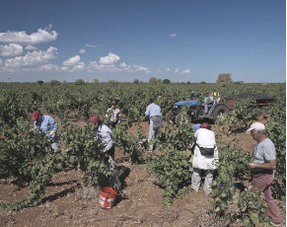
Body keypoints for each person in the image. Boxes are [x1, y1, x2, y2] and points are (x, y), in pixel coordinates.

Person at [246, 122, 280, 226]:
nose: (251, 134)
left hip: (263, 176)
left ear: (259, 132)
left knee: (250, 197)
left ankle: (250, 219)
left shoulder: (267, 144)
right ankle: (275, 219)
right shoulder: (260, 143)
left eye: (252, 132)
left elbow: (272, 165)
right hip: (261, 175)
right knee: (267, 198)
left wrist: (255, 166)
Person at [90, 116, 121, 189]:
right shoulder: (96, 128)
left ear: (97, 123)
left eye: (93, 124)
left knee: (111, 166)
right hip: (102, 147)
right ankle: (106, 182)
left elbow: (110, 143)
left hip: (109, 148)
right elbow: (96, 138)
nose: (92, 126)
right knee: (103, 165)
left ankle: (117, 184)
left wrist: (104, 151)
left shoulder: (104, 130)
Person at [191, 123, 218, 195]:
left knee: (196, 171)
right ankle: (207, 191)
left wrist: (189, 147)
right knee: (209, 173)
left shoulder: (198, 131)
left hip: (200, 154)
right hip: (211, 154)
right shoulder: (212, 133)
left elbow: (192, 142)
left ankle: (195, 188)